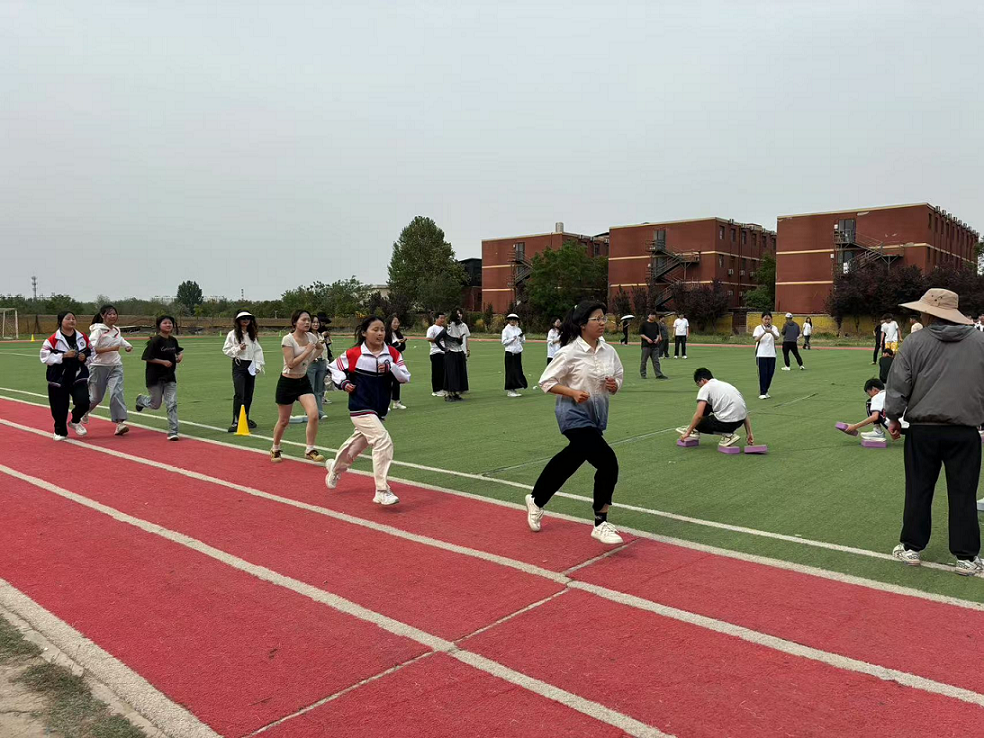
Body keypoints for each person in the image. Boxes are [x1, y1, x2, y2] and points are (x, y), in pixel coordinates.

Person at [885, 288, 984, 576]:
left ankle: (912, 548)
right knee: (964, 493)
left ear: (929, 314)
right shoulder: (980, 341)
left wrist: (893, 417)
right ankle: (966, 557)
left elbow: (899, 383)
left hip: (923, 429)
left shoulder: (915, 342)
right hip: (965, 430)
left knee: (919, 488)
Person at [524, 301, 625, 545]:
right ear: (582, 324)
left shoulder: (609, 351)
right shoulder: (569, 352)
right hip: (573, 415)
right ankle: (600, 522)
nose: (602, 323)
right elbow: (546, 381)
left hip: (596, 416)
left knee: (569, 461)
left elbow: (618, 378)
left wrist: (614, 385)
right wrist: (572, 393)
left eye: (604, 318)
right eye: (596, 319)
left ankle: (536, 499)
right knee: (608, 463)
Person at [325, 315, 411, 506]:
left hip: (379, 409)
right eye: (375, 329)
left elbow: (405, 377)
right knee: (382, 440)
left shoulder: (392, 354)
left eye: (382, 330)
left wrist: (391, 367)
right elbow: (334, 368)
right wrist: (343, 383)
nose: (380, 333)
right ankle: (382, 490)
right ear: (364, 333)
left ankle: (335, 469)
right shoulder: (354, 353)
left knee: (356, 445)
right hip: (360, 406)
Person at [270, 310, 325, 463]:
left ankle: (310, 449)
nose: (307, 323)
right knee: (284, 421)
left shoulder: (312, 337)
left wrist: (309, 360)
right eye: (304, 320)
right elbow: (291, 364)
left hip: (303, 382)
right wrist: (307, 352)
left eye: (309, 320)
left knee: (314, 415)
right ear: (295, 322)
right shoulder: (288, 339)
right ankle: (275, 447)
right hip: (287, 382)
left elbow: (320, 348)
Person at [40, 311, 92, 441]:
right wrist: (63, 356)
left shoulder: (83, 337)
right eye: (68, 318)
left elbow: (92, 352)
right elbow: (44, 357)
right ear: (60, 321)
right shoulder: (52, 340)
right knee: (59, 407)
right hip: (59, 377)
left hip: (78, 375)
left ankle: (75, 420)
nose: (72, 321)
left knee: (84, 402)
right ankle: (60, 431)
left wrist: (85, 358)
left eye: (73, 318)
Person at [676, 368, 754, 448]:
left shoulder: (705, 388)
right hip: (739, 422)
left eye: (698, 384)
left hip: (727, 423)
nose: (699, 387)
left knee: (698, 422)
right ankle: (695, 430)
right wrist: (749, 433)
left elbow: (699, 415)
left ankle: (728, 436)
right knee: (707, 405)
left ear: (703, 380)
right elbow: (743, 410)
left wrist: (687, 433)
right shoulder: (727, 385)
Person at [135, 315, 183, 441]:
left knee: (172, 403)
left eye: (170, 323)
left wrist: (179, 356)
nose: (168, 325)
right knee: (155, 404)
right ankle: (141, 400)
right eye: (165, 323)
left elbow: (178, 351)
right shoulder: (155, 341)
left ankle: (173, 431)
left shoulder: (173, 340)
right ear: (159, 326)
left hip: (169, 376)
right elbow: (147, 357)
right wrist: (163, 362)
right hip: (155, 377)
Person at [87, 304, 133, 436]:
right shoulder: (97, 331)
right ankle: (81, 413)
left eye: (114, 314)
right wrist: (111, 349)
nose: (113, 316)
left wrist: (127, 346)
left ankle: (120, 423)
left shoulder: (116, 330)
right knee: (96, 398)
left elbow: (120, 340)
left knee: (116, 393)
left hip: (115, 365)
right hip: (98, 366)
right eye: (109, 314)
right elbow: (91, 349)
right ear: (103, 315)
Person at [222, 310, 265, 432]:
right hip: (239, 365)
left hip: (250, 365)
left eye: (248, 318)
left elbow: (258, 350)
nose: (245, 320)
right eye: (243, 318)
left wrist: (258, 365)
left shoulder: (252, 335)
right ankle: (236, 420)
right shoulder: (232, 334)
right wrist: (238, 349)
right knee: (239, 393)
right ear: (238, 321)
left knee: (249, 394)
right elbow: (226, 349)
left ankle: (245, 418)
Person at [841, 378, 891, 442]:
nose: (870, 396)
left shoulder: (877, 398)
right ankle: (878, 432)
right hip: (903, 427)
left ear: (874, 390)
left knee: (869, 402)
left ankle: (878, 431)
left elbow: (874, 417)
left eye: (869, 393)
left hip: (894, 427)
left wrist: (854, 427)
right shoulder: (891, 393)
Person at [441, 308, 470, 401]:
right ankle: (448, 393)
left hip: (460, 352)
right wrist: (444, 348)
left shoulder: (463, 325)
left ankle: (456, 393)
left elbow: (464, 340)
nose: (459, 316)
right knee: (451, 373)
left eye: (460, 314)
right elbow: (441, 338)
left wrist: (467, 349)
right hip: (451, 352)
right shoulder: (449, 326)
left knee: (459, 373)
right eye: (457, 314)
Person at [752, 312, 781, 399]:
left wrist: (771, 332)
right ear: (762, 319)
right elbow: (756, 339)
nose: (767, 321)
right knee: (763, 373)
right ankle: (762, 392)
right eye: (765, 319)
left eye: (769, 319)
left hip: (771, 354)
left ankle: (766, 390)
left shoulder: (774, 328)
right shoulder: (758, 328)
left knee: (770, 373)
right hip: (761, 354)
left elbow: (777, 337)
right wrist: (764, 332)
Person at [501, 313, 527, 397]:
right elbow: (504, 342)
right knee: (510, 371)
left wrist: (521, 337)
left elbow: (523, 341)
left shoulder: (518, 329)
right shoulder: (506, 330)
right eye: (511, 319)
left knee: (517, 371)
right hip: (510, 353)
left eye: (514, 320)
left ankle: (515, 388)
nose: (513, 321)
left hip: (518, 353)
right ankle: (510, 390)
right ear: (508, 321)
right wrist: (513, 339)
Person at [639, 311, 667, 379]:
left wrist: (657, 339)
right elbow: (641, 334)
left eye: (654, 315)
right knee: (644, 361)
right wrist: (647, 339)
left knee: (656, 361)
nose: (653, 316)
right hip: (646, 346)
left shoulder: (656, 324)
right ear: (648, 316)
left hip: (655, 346)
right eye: (651, 315)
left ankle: (658, 374)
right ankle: (643, 374)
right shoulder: (643, 324)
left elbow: (658, 333)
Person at [388, 314, 408, 410]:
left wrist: (402, 343)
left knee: (396, 381)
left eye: (397, 322)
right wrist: (397, 343)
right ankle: (385, 403)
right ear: (389, 323)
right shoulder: (385, 334)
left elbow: (402, 348)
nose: (396, 324)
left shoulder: (398, 334)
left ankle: (396, 402)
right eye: (394, 322)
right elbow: (386, 347)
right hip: (387, 361)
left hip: (397, 360)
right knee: (387, 382)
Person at [426, 312, 447, 397]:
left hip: (444, 352)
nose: (443, 320)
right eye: (441, 318)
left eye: (443, 318)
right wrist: (437, 339)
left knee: (443, 371)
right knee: (436, 372)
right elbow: (428, 338)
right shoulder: (432, 328)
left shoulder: (443, 328)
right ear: (436, 319)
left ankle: (442, 388)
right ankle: (436, 390)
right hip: (435, 352)